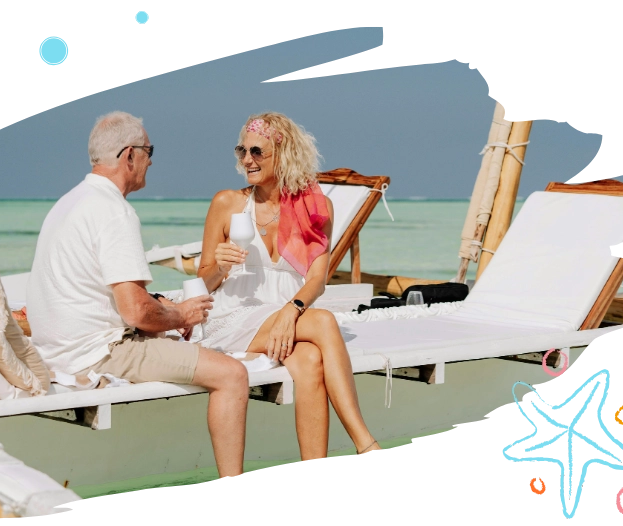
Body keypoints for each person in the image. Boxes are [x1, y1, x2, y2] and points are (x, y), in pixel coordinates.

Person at [26, 111, 250, 479]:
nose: (151, 160)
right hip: (97, 355)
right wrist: (181, 316)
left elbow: (111, 298)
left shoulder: (70, 201)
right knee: (232, 374)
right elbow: (135, 313)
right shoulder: (115, 211)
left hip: (60, 348)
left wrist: (164, 309)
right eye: (149, 151)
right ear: (130, 155)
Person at [195, 112, 382, 460]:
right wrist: (219, 266)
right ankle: (366, 444)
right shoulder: (228, 203)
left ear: (283, 155)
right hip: (234, 317)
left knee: (311, 360)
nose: (247, 160)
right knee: (324, 321)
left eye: (257, 152)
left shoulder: (316, 209)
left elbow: (317, 280)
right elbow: (203, 281)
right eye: (242, 151)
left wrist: (290, 311)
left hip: (286, 322)